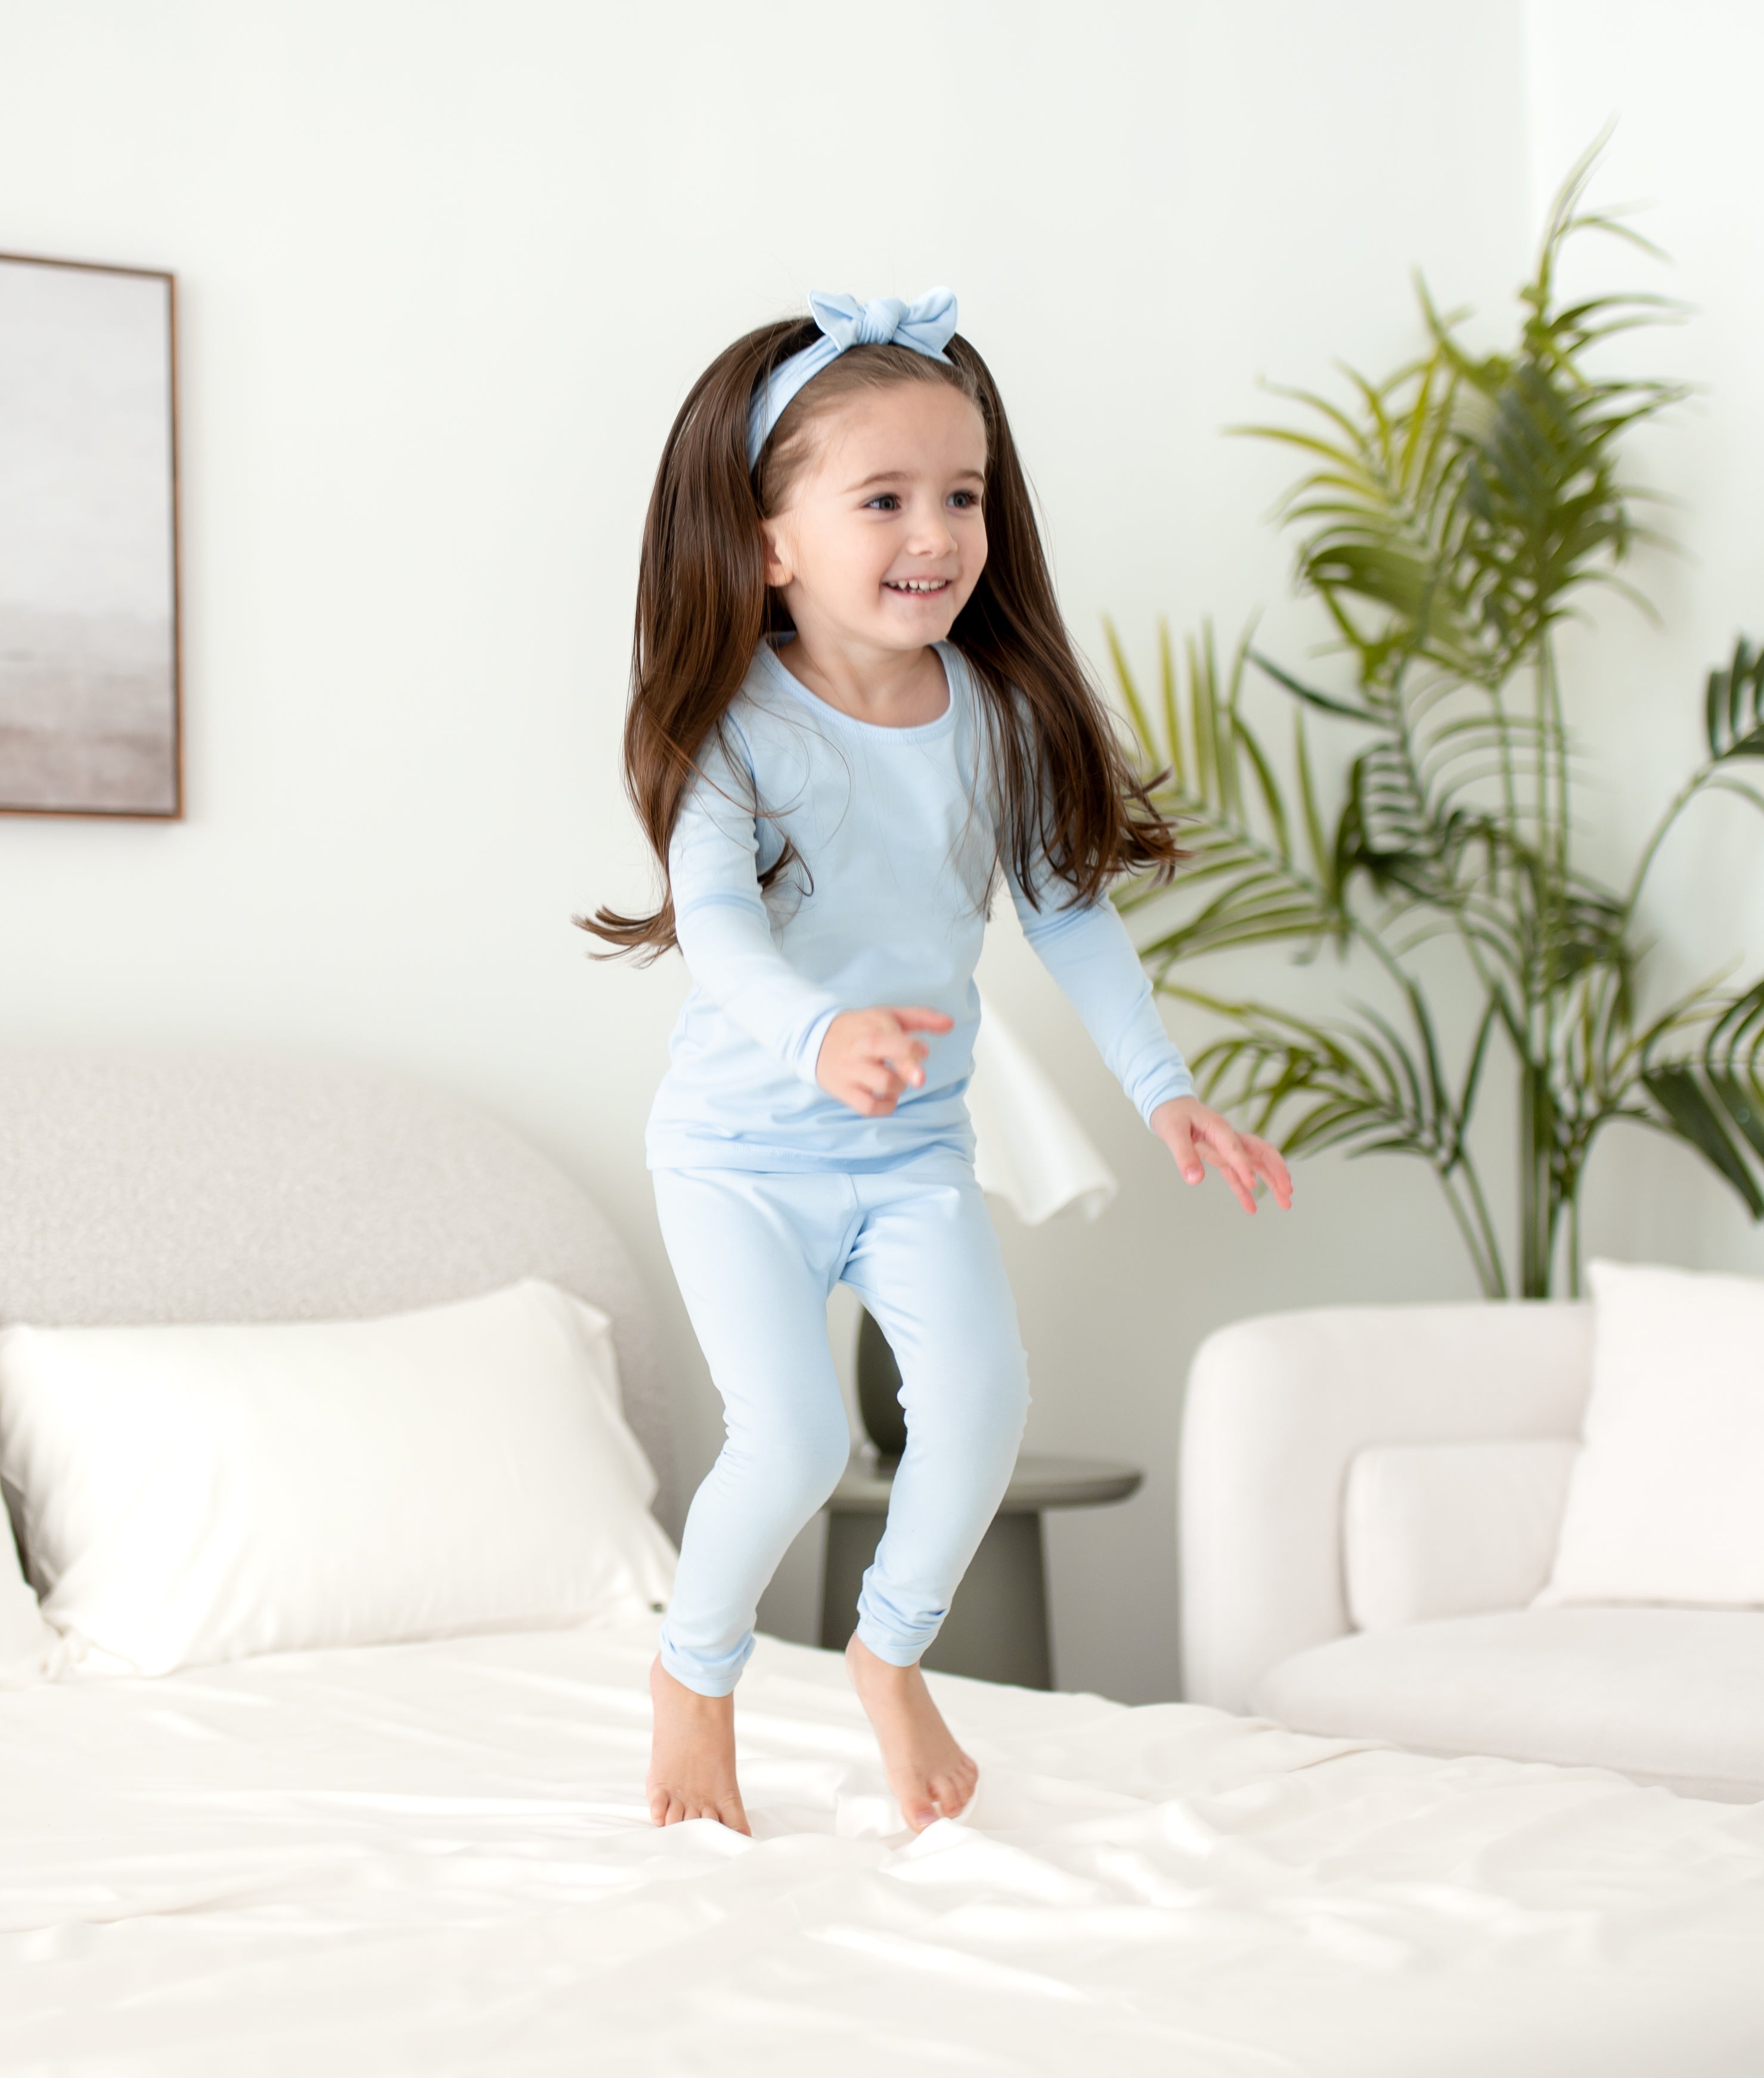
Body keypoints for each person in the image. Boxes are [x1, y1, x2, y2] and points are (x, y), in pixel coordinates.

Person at [576, 289, 1292, 1839]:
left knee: (978, 1407)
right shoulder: (729, 726)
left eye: (962, 495)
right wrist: (819, 1031)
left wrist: (1165, 1090)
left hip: (909, 1154)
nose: (938, 531)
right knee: (794, 1438)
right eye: (885, 498)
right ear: (770, 542)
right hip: (739, 1156)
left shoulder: (1001, 715)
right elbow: (720, 930)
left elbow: (1074, 924)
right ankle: (693, 1675)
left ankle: (889, 1656)